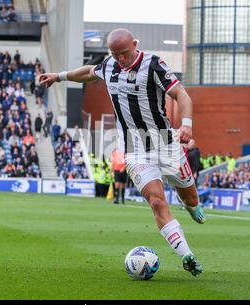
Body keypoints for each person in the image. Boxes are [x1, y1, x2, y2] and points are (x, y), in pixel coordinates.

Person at [39, 28, 205, 276]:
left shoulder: (154, 65)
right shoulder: (110, 66)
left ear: (135, 45)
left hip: (165, 143)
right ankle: (187, 255)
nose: (120, 59)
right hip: (135, 149)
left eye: (124, 53)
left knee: (190, 198)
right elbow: (87, 72)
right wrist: (59, 76)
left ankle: (192, 206)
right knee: (157, 201)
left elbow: (181, 94)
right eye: (115, 54)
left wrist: (187, 124)